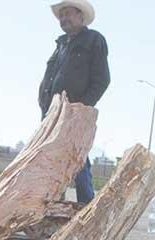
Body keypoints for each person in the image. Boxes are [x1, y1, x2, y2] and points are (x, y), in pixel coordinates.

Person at [39, 0, 110, 204]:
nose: (64, 19)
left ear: (81, 16)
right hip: (51, 114)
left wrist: (82, 108)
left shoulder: (94, 40)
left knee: (78, 160)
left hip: (75, 114)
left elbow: (102, 80)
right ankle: (52, 207)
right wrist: (44, 104)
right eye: (61, 15)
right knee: (52, 162)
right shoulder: (60, 45)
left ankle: (86, 209)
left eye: (68, 14)